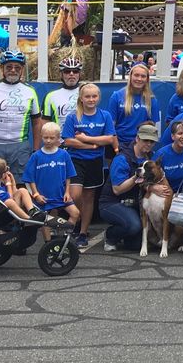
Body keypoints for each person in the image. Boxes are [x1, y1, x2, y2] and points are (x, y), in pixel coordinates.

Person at [61, 83, 116, 248]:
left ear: (98, 98)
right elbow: (68, 140)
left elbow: (109, 139)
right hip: (76, 160)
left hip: (95, 162)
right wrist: (91, 146)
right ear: (81, 98)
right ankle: (75, 222)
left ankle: (83, 232)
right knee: (74, 195)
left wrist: (86, 139)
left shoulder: (104, 115)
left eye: (94, 96)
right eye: (87, 96)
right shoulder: (73, 117)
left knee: (89, 198)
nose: (91, 99)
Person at [0, 50, 42, 183]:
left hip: (20, 147)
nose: (13, 70)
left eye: (17, 67)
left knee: (20, 186)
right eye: (9, 67)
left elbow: (36, 122)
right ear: (2, 68)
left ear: (22, 69)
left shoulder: (30, 91)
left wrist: (36, 149)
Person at [100, 122, 166, 253]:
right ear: (137, 139)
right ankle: (110, 235)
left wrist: (153, 187)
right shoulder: (122, 158)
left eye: (152, 142)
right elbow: (117, 189)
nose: (149, 144)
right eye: (145, 140)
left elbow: (155, 179)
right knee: (134, 225)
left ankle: (125, 235)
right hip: (112, 203)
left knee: (135, 244)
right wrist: (137, 177)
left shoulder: (150, 157)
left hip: (134, 202)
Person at [23, 121, 80, 235]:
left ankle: (64, 237)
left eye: (52, 138)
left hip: (60, 196)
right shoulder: (36, 156)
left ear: (58, 138)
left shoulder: (64, 155)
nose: (48, 140)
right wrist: (36, 194)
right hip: (44, 198)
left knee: (75, 213)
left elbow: (69, 175)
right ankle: (48, 245)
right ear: (41, 136)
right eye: (45, 137)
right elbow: (29, 178)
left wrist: (67, 192)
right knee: (47, 222)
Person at [107, 61, 159, 159]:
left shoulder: (152, 100)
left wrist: (143, 146)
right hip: (118, 145)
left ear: (147, 79)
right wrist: (117, 149)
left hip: (140, 146)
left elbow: (152, 128)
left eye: (143, 76)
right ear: (130, 76)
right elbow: (110, 127)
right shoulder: (117, 96)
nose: (139, 79)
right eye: (136, 75)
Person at [42, 55, 83, 124]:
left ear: (79, 74)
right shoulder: (51, 96)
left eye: (75, 71)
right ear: (61, 74)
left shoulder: (86, 94)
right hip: (59, 134)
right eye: (67, 71)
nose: (71, 74)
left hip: (82, 134)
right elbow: (45, 123)